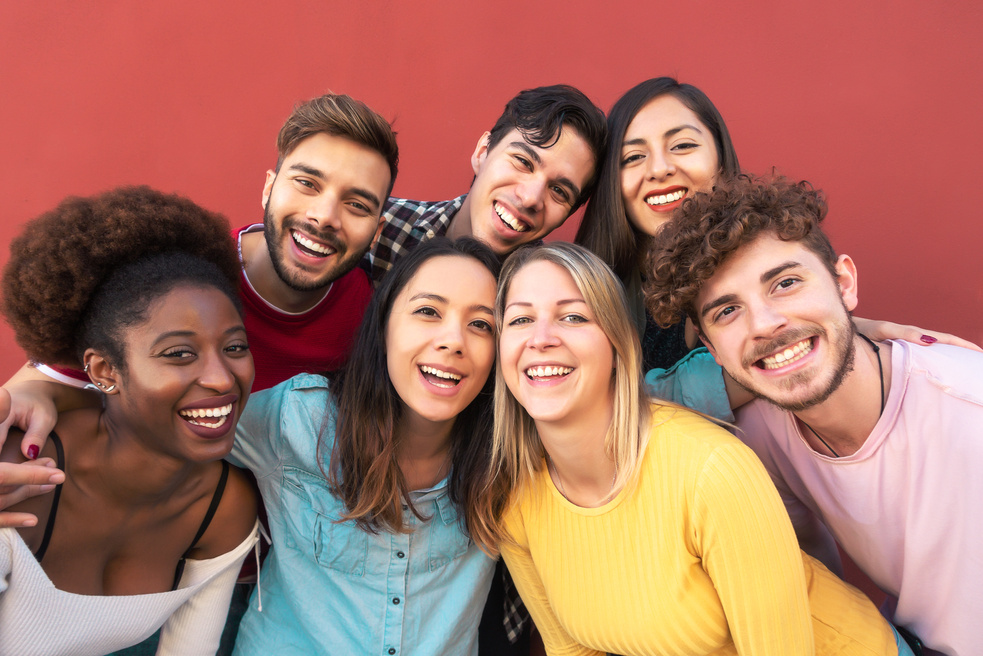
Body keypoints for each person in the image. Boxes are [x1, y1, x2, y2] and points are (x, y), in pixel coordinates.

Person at [488, 241, 915, 656]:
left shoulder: (710, 471)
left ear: (617, 346)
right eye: (521, 320)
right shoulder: (515, 501)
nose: (541, 339)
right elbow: (572, 650)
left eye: (573, 317)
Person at [645, 175, 982, 656]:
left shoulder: (969, 407)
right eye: (727, 312)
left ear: (844, 283)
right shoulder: (761, 434)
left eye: (785, 283)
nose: (764, 324)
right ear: (713, 352)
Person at [577, 76, 977, 418]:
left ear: (720, 157)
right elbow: (608, 410)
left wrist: (839, 332)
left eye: (682, 146)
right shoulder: (586, 295)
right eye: (632, 156)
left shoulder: (777, 264)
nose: (660, 168)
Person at [6, 92, 398, 425]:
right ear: (269, 188)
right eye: (307, 184)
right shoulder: (178, 277)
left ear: (377, 232)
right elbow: (39, 382)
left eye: (356, 205)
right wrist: (36, 398)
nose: (324, 217)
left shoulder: (375, 313)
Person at [0, 188, 260, 655]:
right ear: (104, 371)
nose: (222, 379)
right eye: (179, 354)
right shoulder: (18, 475)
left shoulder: (223, 508)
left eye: (235, 347)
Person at [229, 237, 509, 655]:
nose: (454, 341)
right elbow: (173, 429)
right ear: (384, 323)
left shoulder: (507, 458)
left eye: (481, 324)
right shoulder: (301, 419)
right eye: (428, 311)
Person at [362, 84, 607, 284]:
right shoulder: (378, 227)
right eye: (523, 161)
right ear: (482, 152)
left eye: (559, 191)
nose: (531, 198)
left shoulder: (546, 297)